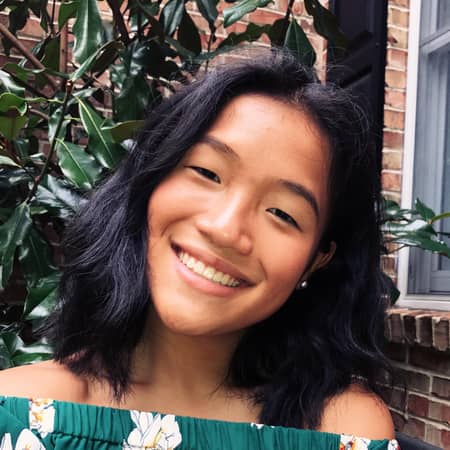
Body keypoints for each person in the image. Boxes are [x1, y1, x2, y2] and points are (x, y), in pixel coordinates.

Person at [0, 49, 399, 450]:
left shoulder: (342, 431)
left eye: (282, 213)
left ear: (316, 260)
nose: (225, 230)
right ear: (150, 180)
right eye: (207, 172)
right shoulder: (20, 415)